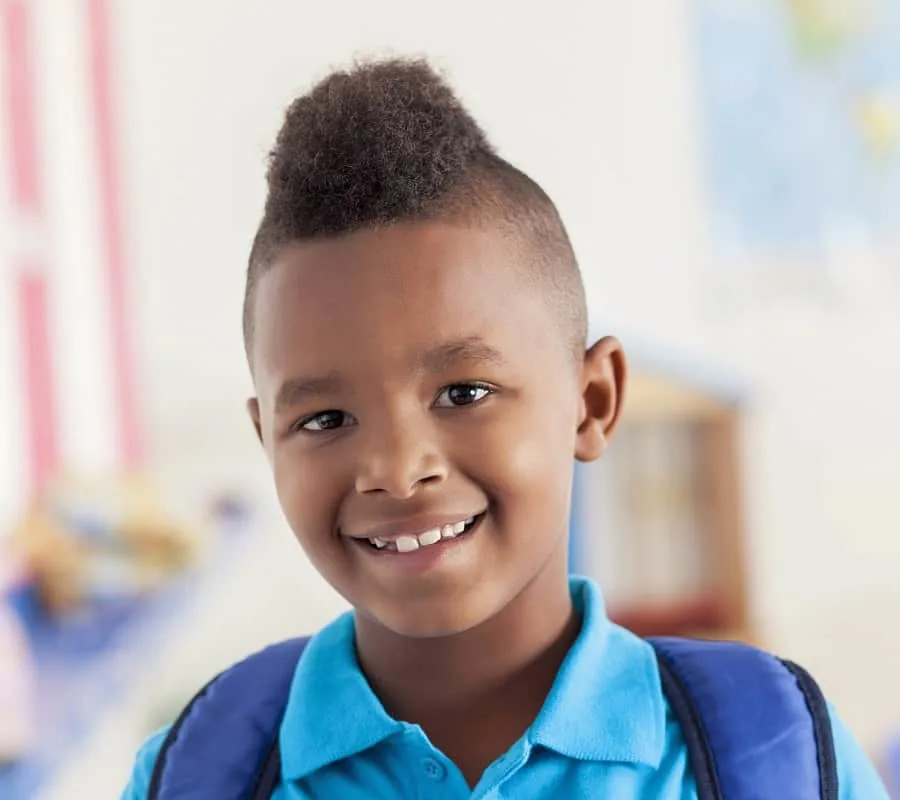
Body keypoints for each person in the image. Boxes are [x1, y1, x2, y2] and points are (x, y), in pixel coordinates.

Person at [121, 58, 889, 798]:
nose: (395, 466)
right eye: (325, 418)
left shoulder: (771, 755)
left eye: (463, 392)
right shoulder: (196, 776)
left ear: (591, 402)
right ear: (268, 443)